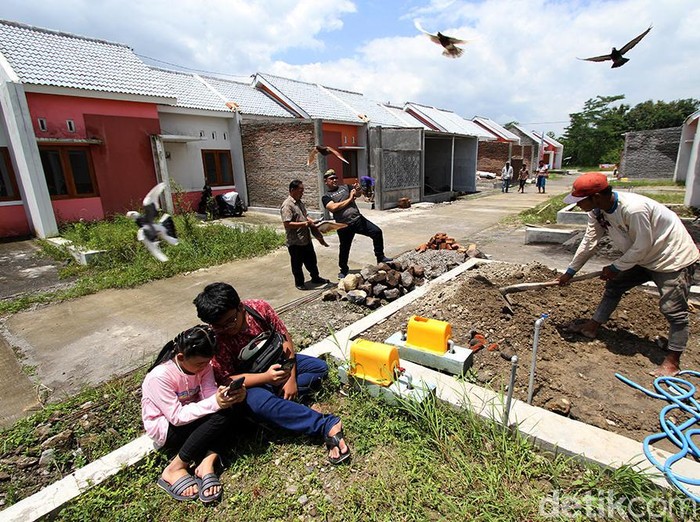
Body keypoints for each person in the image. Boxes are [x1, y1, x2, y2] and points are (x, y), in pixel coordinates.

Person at [557, 173, 699, 377]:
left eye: (580, 201)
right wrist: (571, 271)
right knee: (614, 285)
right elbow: (590, 241)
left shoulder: (633, 209)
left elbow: (643, 245)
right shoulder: (597, 211)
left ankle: (672, 361)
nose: (578, 205)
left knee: (673, 311)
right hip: (640, 257)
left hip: (671, 258)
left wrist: (616, 267)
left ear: (596, 196)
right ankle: (592, 326)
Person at [193, 282, 351, 464]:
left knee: (319, 368)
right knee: (257, 403)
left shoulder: (259, 309)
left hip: (279, 363)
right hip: (252, 383)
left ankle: (278, 406)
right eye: (218, 326)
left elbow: (285, 338)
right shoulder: (216, 337)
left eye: (230, 322)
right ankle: (324, 424)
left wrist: (290, 378)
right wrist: (266, 378)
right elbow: (226, 378)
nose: (225, 329)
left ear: (240, 307)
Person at [141, 325, 247, 503]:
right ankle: (175, 468)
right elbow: (177, 417)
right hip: (167, 427)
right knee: (221, 416)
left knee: (235, 407)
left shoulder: (203, 366)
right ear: (181, 357)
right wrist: (215, 403)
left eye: (207, 362)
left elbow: (208, 394)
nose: (205, 367)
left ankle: (206, 463)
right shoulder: (160, 377)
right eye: (200, 363)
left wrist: (226, 397)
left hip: (193, 417)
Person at [322, 169, 392, 279]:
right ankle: (344, 270)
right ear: (326, 181)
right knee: (344, 248)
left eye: (335, 178)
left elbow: (358, 194)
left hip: (358, 220)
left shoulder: (345, 187)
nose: (334, 180)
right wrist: (350, 198)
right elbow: (333, 208)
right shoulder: (326, 196)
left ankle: (380, 257)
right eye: (331, 179)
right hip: (343, 225)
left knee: (377, 232)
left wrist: (359, 190)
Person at [280, 180, 330, 291]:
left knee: (311, 260)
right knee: (297, 264)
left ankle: (315, 278)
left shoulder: (299, 202)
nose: (302, 193)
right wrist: (305, 224)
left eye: (303, 190)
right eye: (300, 190)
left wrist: (313, 222)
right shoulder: (287, 205)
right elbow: (287, 223)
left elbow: (304, 216)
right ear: (292, 190)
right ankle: (299, 283)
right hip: (295, 241)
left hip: (305, 238)